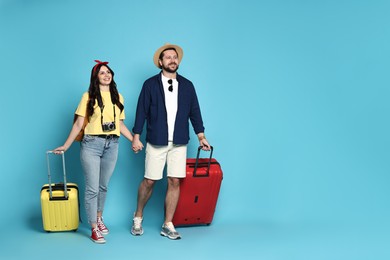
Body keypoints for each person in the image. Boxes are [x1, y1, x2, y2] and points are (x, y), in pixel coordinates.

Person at [131, 43, 210, 240]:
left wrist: (201, 135)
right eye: (168, 57)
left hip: (179, 141)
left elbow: (195, 112)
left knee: (175, 181)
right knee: (150, 181)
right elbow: (141, 111)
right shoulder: (150, 85)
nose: (172, 60)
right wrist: (136, 136)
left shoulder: (188, 85)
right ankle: (138, 216)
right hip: (156, 140)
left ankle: (168, 224)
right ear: (160, 62)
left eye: (175, 57)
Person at [53, 60, 134, 244]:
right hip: (92, 144)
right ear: (96, 78)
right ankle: (93, 228)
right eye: (102, 73)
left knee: (103, 185)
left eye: (108, 72)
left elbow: (120, 125)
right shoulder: (88, 96)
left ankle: (99, 218)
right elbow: (79, 123)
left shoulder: (118, 97)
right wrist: (66, 145)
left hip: (112, 144)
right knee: (92, 188)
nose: (106, 75)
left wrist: (134, 140)